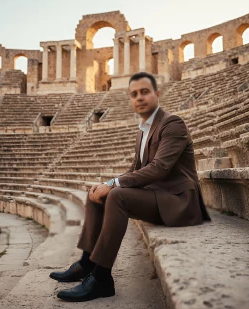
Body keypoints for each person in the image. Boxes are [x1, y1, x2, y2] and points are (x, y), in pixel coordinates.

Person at [49, 72, 211, 302]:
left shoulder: (173, 123)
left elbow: (159, 168)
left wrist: (113, 185)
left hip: (178, 201)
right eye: (134, 94)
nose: (139, 98)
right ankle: (87, 263)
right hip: (156, 196)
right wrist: (105, 185)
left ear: (157, 94)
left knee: (117, 196)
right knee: (97, 194)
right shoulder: (143, 130)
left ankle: (102, 278)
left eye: (145, 92)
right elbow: (134, 170)